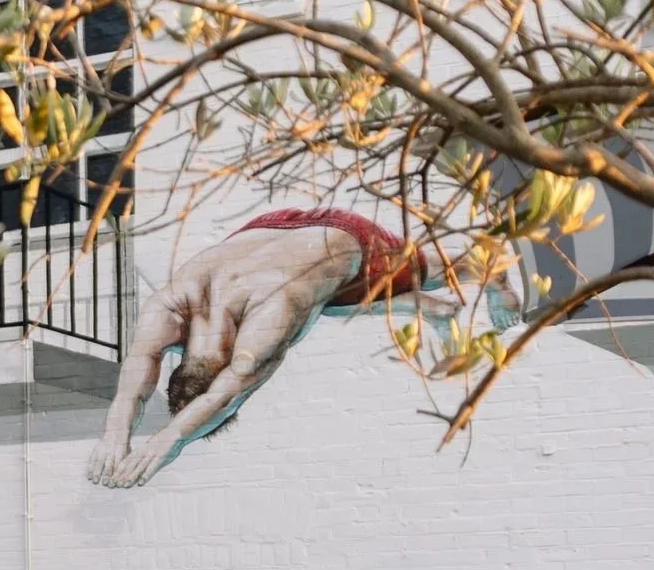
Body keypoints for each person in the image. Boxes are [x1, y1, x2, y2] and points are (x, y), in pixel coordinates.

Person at [87, 209, 415, 488]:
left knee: (435, 276)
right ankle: (419, 305)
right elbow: (132, 387)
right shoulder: (170, 305)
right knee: (327, 299)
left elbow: (223, 396)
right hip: (263, 227)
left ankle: (420, 301)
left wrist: (169, 438)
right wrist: (115, 435)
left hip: (349, 237)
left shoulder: (261, 331)